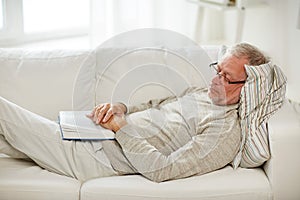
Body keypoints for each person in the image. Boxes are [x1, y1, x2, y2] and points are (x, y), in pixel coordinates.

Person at [0, 43, 269, 183]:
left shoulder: (223, 133)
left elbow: (164, 169)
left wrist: (121, 128)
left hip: (94, 156)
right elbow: (156, 105)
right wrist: (121, 109)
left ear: (247, 87)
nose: (215, 79)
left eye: (226, 77)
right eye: (217, 69)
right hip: (93, 135)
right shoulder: (203, 93)